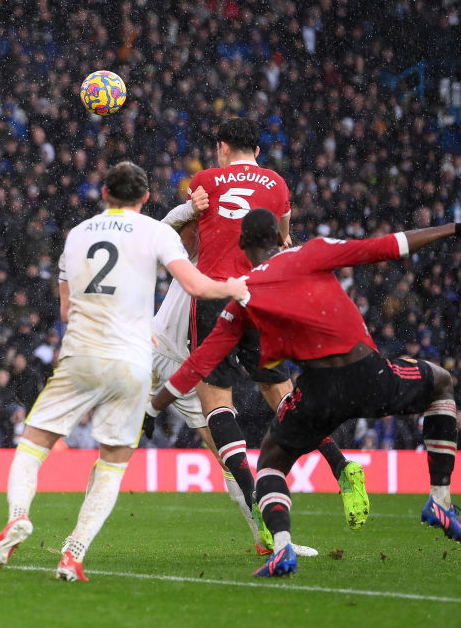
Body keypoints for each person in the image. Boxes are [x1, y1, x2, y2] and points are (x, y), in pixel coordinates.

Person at [152, 209, 461, 577]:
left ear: (242, 244)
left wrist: (154, 407)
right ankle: (440, 497)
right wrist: (452, 228)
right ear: (281, 237)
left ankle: (282, 548)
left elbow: (199, 364)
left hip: (317, 390)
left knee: (270, 462)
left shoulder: (243, 294)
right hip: (367, 373)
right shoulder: (312, 251)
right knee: (441, 382)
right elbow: (388, 246)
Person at [0, 162, 248, 582]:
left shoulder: (77, 235)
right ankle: (73, 553)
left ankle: (18, 515)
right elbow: (196, 286)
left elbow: (67, 310)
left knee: (33, 445)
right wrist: (233, 288)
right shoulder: (156, 231)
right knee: (111, 465)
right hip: (132, 360)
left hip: (81, 354)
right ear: (144, 198)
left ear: (103, 193)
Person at [183, 117, 366, 532]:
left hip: (215, 294)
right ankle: (341, 466)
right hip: (262, 294)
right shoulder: (277, 184)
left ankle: (257, 506)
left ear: (222, 147)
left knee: (215, 401)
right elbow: (282, 240)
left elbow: (190, 244)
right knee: (281, 392)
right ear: (259, 152)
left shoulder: (206, 180)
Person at [144, 192, 317, 557]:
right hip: (162, 354)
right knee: (119, 444)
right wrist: (190, 208)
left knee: (224, 453)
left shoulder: (234, 273)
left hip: (172, 359)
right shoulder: (199, 258)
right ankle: (268, 534)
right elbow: (160, 229)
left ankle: (264, 537)